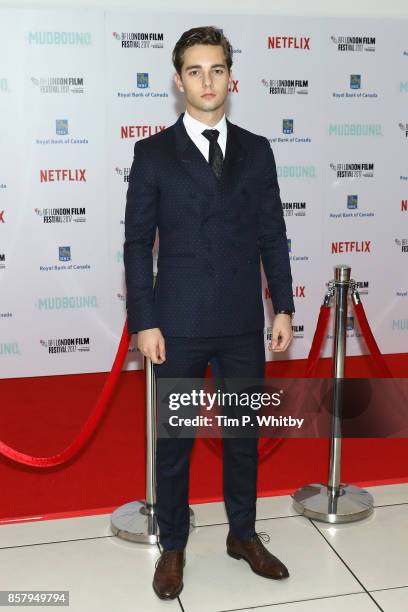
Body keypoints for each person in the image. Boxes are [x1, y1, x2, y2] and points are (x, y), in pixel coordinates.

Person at [124, 26, 295, 600]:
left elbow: (273, 233)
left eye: (216, 69)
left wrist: (284, 306)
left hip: (243, 322)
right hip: (175, 325)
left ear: (231, 77)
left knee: (244, 434)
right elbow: (135, 244)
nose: (206, 80)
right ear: (178, 81)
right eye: (194, 71)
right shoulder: (151, 154)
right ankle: (173, 544)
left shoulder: (257, 149)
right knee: (175, 440)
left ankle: (242, 535)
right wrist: (144, 321)